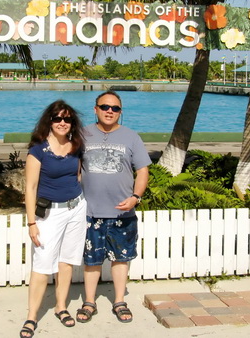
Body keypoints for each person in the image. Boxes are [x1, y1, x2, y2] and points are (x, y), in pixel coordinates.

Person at [77, 91, 151, 324]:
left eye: (115, 108)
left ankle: (119, 301)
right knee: (92, 260)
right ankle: (89, 302)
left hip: (123, 211)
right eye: (105, 107)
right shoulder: (82, 135)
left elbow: (143, 171)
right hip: (90, 212)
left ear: (120, 112)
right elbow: (75, 169)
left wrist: (135, 197)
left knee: (121, 259)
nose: (110, 111)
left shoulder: (131, 137)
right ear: (96, 109)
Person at [20, 100, 87, 338]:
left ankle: (61, 307)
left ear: (72, 123)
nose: (62, 123)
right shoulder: (38, 151)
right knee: (41, 265)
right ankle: (31, 317)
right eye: (57, 118)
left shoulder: (76, 146)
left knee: (66, 261)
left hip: (76, 209)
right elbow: (30, 187)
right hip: (50, 214)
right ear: (49, 121)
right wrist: (31, 223)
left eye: (67, 119)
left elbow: (77, 176)